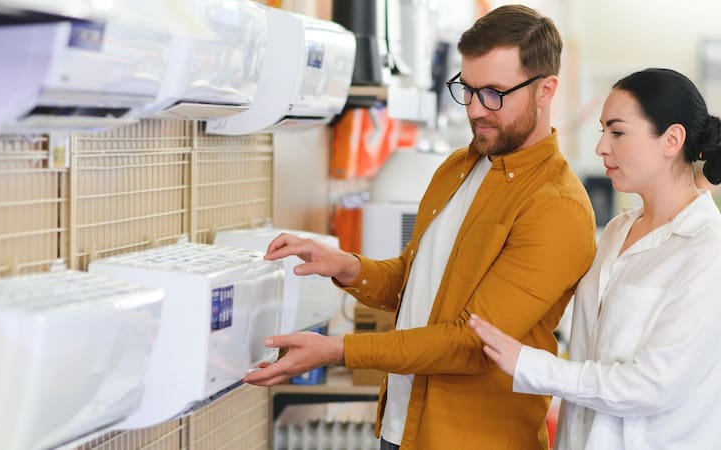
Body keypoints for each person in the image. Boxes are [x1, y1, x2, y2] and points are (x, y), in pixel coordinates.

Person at [244, 5, 597, 449]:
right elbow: (419, 286)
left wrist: (340, 350)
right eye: (466, 89)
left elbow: (469, 344)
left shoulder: (557, 207)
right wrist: (347, 266)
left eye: (493, 93)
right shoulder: (458, 167)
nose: (475, 109)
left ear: (546, 90)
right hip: (402, 427)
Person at [469, 67, 721, 449]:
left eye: (617, 132)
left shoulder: (706, 251)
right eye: (602, 131)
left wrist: (532, 366)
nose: (602, 147)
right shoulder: (617, 231)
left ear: (672, 139)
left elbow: (651, 386)